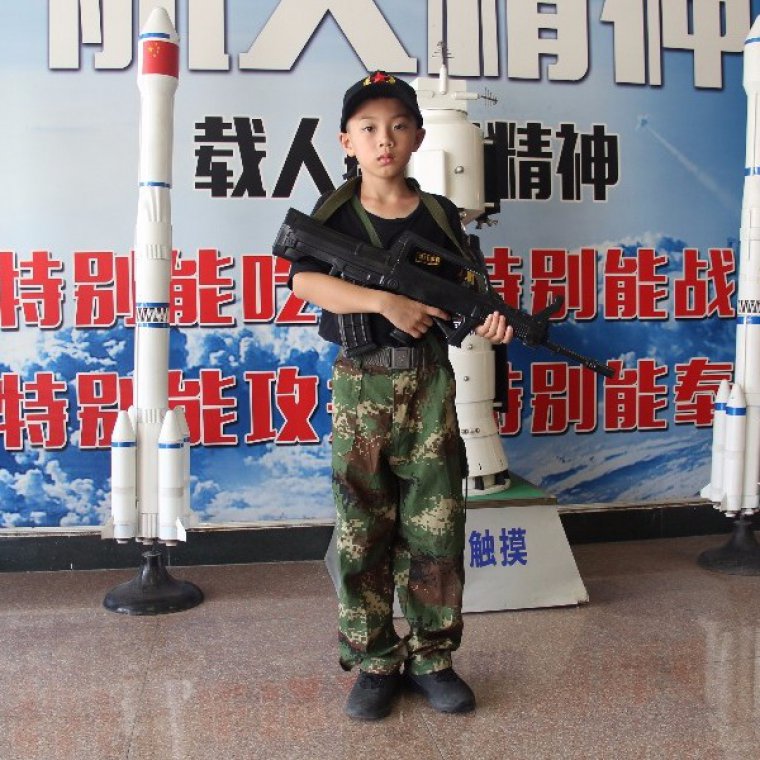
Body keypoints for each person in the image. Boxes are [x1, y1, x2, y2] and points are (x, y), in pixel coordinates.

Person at [289, 70, 513, 720]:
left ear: (416, 136)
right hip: (361, 382)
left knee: (435, 524)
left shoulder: (439, 214)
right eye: (368, 128)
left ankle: (433, 657)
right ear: (347, 141)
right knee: (363, 528)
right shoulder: (336, 212)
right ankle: (374, 661)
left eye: (397, 126)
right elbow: (304, 280)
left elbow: (469, 292)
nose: (383, 139)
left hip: (429, 382)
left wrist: (491, 320)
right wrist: (383, 301)